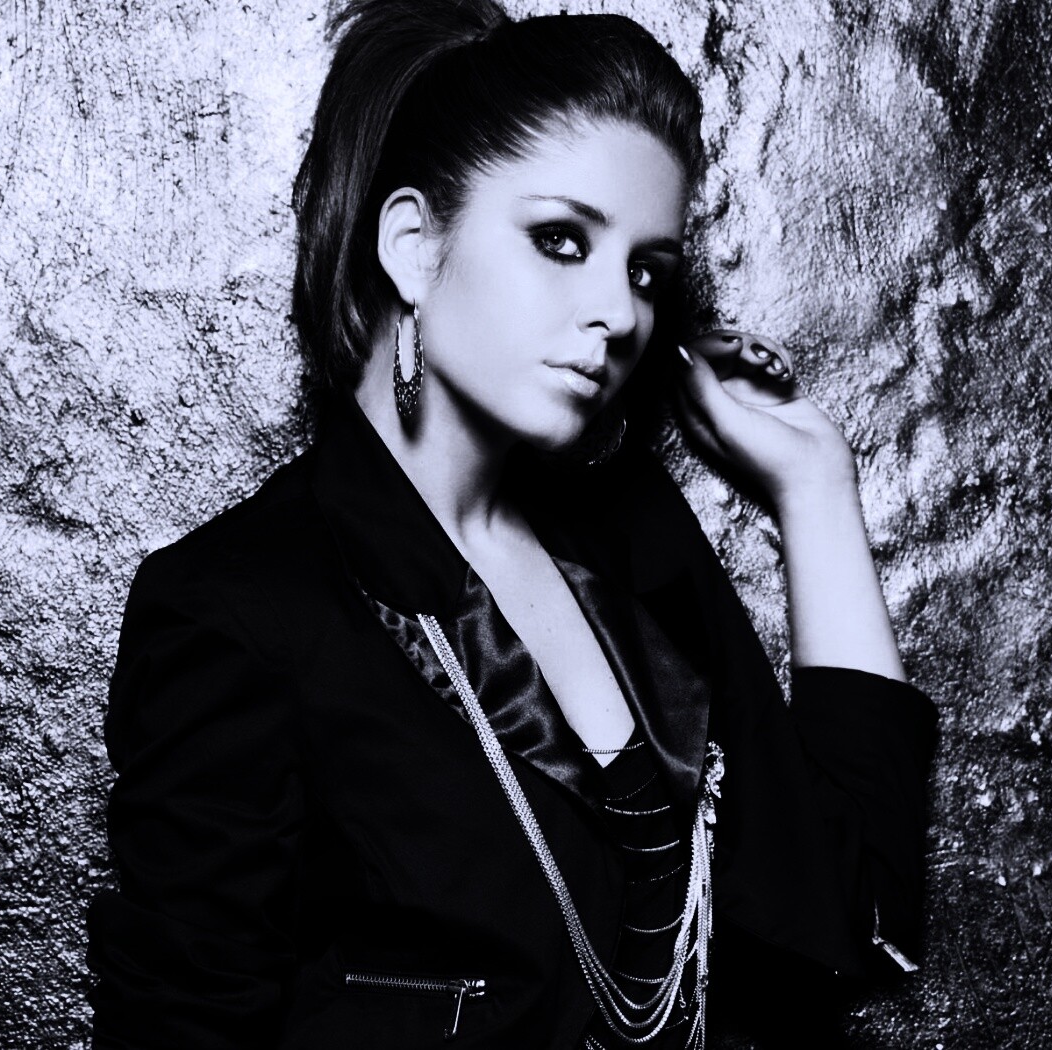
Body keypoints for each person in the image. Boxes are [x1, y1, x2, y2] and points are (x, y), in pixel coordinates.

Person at [86, 1, 938, 1047]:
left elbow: (855, 913)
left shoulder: (635, 548)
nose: (618, 313)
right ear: (413, 246)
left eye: (646, 272)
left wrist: (816, 488)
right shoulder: (237, 611)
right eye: (561, 241)